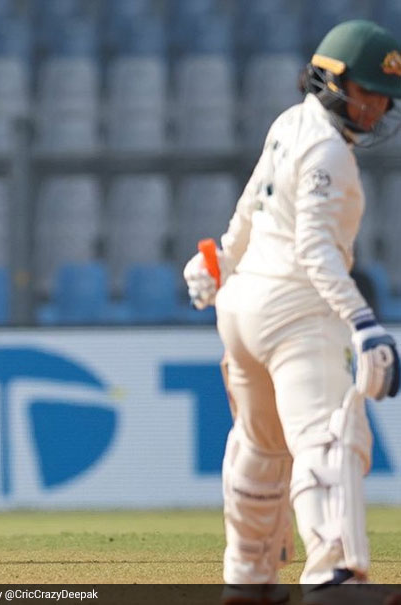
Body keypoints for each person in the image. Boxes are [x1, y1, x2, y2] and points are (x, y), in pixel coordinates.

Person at [183, 20, 401, 604]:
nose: (379, 109)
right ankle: (333, 578)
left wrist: (222, 261)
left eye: (386, 99)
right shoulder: (329, 150)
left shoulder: (289, 123)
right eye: (369, 92)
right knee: (327, 437)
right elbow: (314, 248)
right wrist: (363, 323)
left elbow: (251, 206)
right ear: (332, 80)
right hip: (296, 311)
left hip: (242, 308)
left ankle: (248, 578)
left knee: (261, 447)